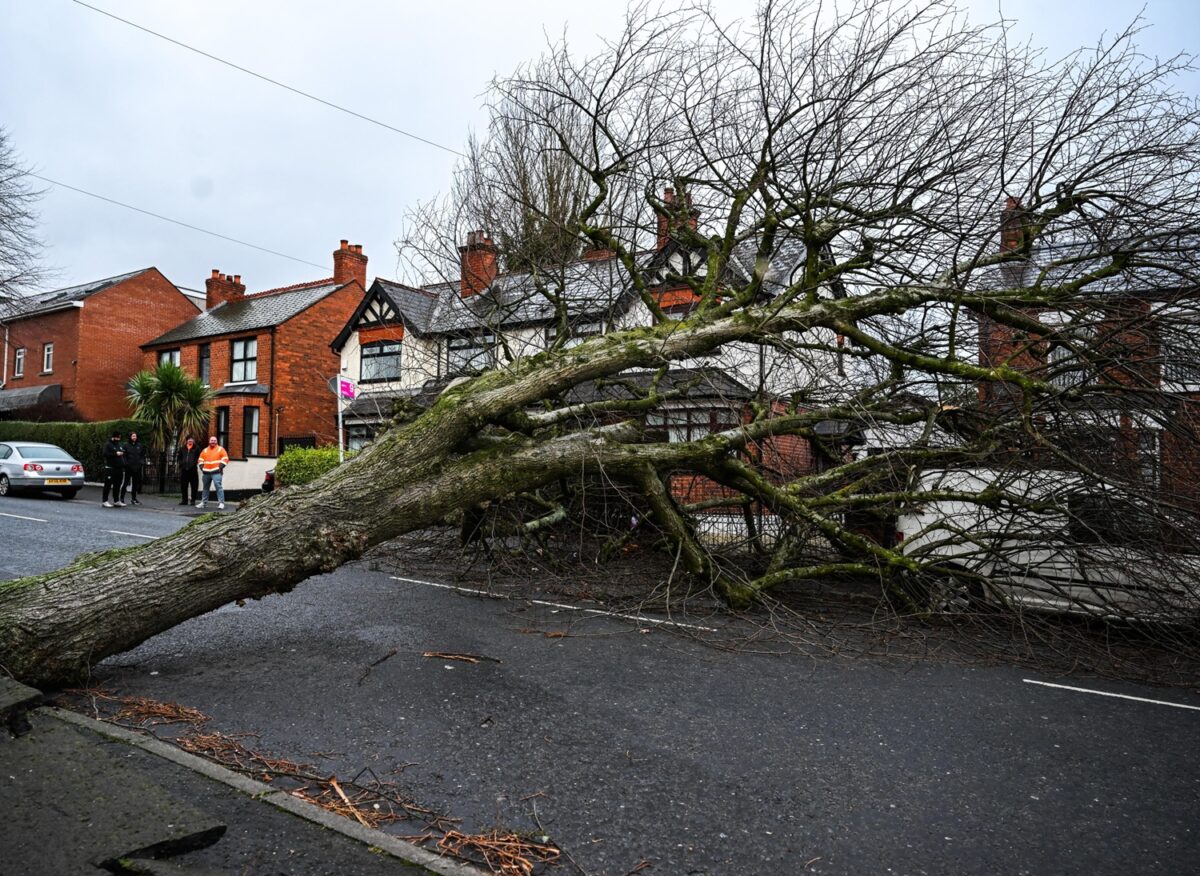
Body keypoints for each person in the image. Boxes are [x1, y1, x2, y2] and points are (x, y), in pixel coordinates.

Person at [197, 435, 230, 510]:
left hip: (216, 472)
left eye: (214, 440)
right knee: (205, 488)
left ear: (217, 441)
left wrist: (220, 467)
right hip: (206, 473)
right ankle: (204, 503)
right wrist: (202, 468)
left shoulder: (220, 449)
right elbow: (200, 460)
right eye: (212, 440)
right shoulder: (205, 450)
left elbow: (225, 459)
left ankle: (221, 503)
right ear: (209, 441)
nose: (213, 442)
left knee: (218, 487)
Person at [119, 431, 146, 505]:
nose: (134, 437)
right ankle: (121, 499)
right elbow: (123, 456)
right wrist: (126, 464)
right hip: (128, 468)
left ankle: (133, 499)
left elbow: (142, 455)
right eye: (133, 436)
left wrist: (141, 462)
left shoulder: (139, 445)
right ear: (130, 437)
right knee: (125, 483)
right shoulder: (125, 445)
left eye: (135, 436)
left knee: (135, 484)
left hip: (137, 467)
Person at [101, 431, 125, 508]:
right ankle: (105, 501)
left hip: (119, 469)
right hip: (110, 468)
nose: (118, 439)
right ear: (113, 437)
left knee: (117, 485)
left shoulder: (118, 444)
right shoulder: (108, 444)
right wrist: (115, 453)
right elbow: (105, 454)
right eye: (117, 437)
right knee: (108, 485)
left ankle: (116, 501)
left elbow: (121, 452)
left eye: (119, 437)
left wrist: (122, 453)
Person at [176, 436, 200, 506]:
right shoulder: (182, 448)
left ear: (193, 441)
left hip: (193, 469)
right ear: (186, 441)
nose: (190, 441)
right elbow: (179, 457)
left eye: (191, 439)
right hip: (184, 469)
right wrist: (181, 464)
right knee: (183, 485)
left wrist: (194, 463)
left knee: (194, 485)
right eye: (189, 440)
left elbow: (198, 457)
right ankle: (184, 500)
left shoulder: (196, 448)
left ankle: (193, 500)